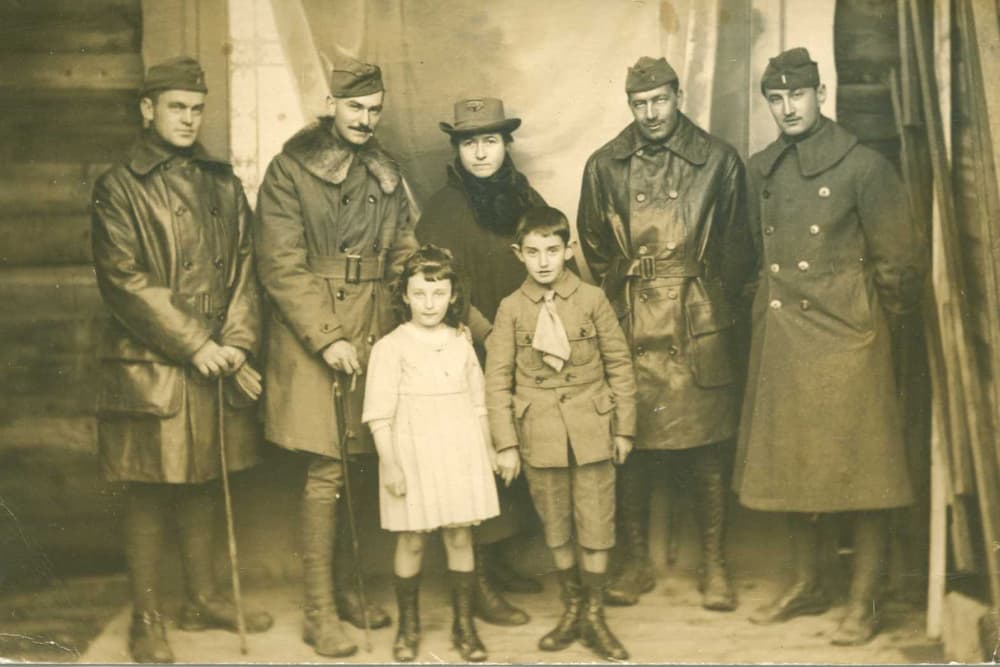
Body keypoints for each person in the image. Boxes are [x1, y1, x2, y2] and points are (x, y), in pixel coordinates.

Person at [734, 47, 927, 645]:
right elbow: (750, 256)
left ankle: (863, 600)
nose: (788, 108)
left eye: (798, 95)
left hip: (850, 341)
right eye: (776, 98)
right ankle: (806, 582)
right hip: (786, 338)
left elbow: (899, 266)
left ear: (821, 93)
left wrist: (879, 337)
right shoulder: (761, 167)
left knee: (862, 472)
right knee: (795, 465)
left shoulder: (864, 167)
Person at [91, 56, 273, 663]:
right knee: (149, 491)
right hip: (154, 365)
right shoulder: (119, 186)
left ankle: (204, 596)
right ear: (148, 110)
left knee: (204, 480)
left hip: (217, 357)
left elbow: (248, 267)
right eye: (176, 107)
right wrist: (198, 344)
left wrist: (238, 343)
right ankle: (147, 619)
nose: (189, 119)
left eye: (197, 109)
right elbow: (125, 282)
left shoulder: (222, 182)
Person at [254, 56, 417, 657]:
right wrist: (327, 335)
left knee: (355, 465)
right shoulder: (289, 170)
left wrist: (415, 314)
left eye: (375, 110)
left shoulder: (386, 173)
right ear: (330, 104)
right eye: (355, 107)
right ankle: (320, 612)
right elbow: (279, 264)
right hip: (313, 339)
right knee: (326, 470)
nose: (366, 120)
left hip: (373, 328)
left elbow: (403, 249)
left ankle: (347, 591)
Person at [577, 56, 753, 610]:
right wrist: (629, 290)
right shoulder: (605, 164)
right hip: (635, 320)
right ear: (629, 104)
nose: (651, 113)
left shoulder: (718, 160)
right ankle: (634, 563)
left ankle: (715, 565)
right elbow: (594, 243)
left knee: (706, 453)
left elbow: (736, 247)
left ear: (679, 96)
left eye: (660, 100)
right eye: (639, 103)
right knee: (633, 448)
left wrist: (704, 299)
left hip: (696, 320)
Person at [417, 97, 554, 626]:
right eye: (470, 142)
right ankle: (472, 583)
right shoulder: (442, 208)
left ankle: (495, 563)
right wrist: (492, 338)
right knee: (471, 464)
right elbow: (441, 289)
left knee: (509, 453)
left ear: (506, 145)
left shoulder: (524, 197)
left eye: (491, 141)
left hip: (522, 346)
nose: (481, 152)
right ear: (456, 149)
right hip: (469, 349)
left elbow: (548, 258)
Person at [485, 206, 637, 661]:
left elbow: (620, 365)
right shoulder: (510, 309)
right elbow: (497, 381)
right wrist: (507, 443)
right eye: (533, 252)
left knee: (595, 524)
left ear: (568, 249)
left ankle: (594, 615)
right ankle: (572, 609)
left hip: (593, 430)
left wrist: (624, 428)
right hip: (540, 434)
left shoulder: (592, 299)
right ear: (519, 255)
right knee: (556, 527)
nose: (544, 261)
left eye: (553, 250)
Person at [363, 244, 500, 663]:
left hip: (460, 452)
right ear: (404, 295)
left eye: (438, 294)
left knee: (460, 534)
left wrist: (489, 450)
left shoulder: (460, 342)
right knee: (412, 538)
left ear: (453, 295)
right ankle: (409, 626)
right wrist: (390, 462)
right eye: (419, 293)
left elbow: (479, 404)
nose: (429, 303)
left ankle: (464, 626)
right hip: (412, 454)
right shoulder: (390, 346)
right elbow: (379, 416)